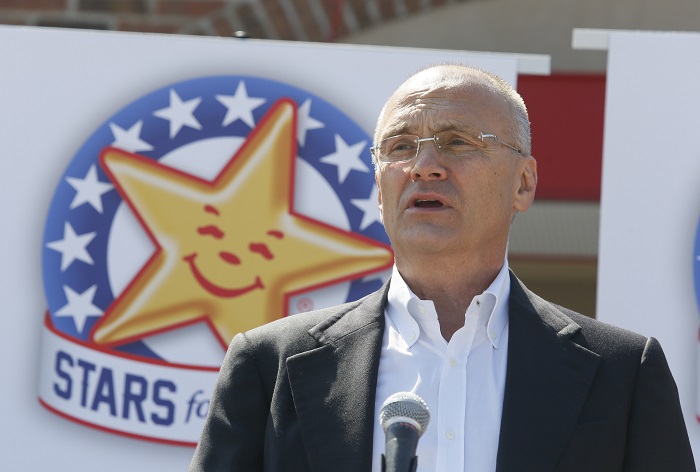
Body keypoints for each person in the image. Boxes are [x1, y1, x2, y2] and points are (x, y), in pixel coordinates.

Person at [189, 64, 695, 471]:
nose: (423, 166)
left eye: (457, 142)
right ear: (378, 185)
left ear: (523, 183)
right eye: (400, 147)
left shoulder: (622, 372)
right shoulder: (269, 364)